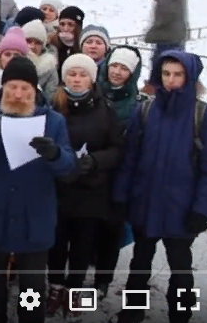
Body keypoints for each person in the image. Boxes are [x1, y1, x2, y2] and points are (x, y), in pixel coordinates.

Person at [112, 51, 207, 323]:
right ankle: (132, 311)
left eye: (178, 74)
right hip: (145, 203)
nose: (171, 80)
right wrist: (121, 195)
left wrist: (202, 211)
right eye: (166, 74)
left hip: (182, 210)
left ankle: (181, 313)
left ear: (190, 78)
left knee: (181, 267)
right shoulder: (146, 111)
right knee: (138, 263)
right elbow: (130, 158)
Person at [0, 56, 76, 323]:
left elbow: (70, 168)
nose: (17, 94)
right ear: (2, 88)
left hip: (35, 219)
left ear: (35, 91)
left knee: (32, 292)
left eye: (25, 89)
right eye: (12, 87)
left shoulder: (54, 122)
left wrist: (55, 154)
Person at [44, 53, 124, 316]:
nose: (77, 80)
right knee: (57, 242)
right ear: (64, 77)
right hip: (59, 187)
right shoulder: (53, 107)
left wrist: (94, 161)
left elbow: (117, 149)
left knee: (82, 244)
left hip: (91, 189)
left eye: (82, 75)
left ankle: (76, 290)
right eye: (72, 74)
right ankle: (55, 286)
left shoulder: (105, 110)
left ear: (92, 79)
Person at [94, 46, 142, 299]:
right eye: (114, 65)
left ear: (132, 74)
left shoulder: (138, 105)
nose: (117, 72)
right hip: (92, 172)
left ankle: (103, 279)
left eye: (124, 68)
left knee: (112, 230)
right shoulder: (92, 93)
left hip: (119, 176)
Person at [145, 0, 189, 66]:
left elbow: (165, 13)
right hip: (177, 36)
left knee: (160, 69)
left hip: (166, 38)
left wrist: (151, 34)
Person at [22, 20, 59, 101]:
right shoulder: (9, 60)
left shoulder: (49, 68)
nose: (32, 46)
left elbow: (50, 97)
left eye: (38, 43)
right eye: (28, 41)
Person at [48, 6, 84, 75]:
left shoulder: (83, 46)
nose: (65, 28)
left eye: (70, 24)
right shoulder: (51, 44)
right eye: (62, 24)